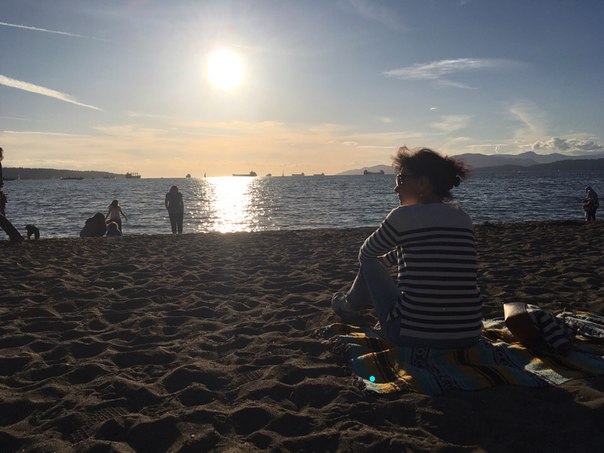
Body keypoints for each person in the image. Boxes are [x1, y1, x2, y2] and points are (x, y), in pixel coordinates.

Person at [331, 146, 482, 349]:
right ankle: (349, 304)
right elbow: (430, 248)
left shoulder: (402, 216)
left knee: (369, 265)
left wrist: (381, 263)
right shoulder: (463, 218)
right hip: (468, 335)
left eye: (401, 180)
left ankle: (348, 306)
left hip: (411, 335)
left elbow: (365, 254)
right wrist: (392, 257)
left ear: (423, 183)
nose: (396, 188)